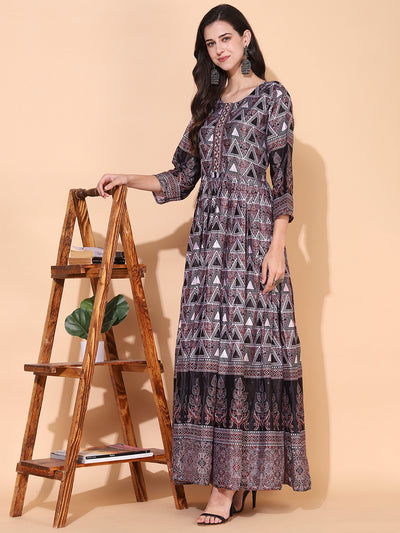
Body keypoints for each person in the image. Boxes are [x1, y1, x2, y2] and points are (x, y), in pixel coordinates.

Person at [97, 3, 311, 526]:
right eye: (210, 44)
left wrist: (277, 247)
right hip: (208, 248)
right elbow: (180, 178)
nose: (219, 50)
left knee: (242, 353)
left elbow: (282, 180)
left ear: (246, 38)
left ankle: (225, 488)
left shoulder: (273, 97)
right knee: (210, 354)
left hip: (252, 239)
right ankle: (227, 479)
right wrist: (128, 178)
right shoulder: (207, 106)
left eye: (225, 39)